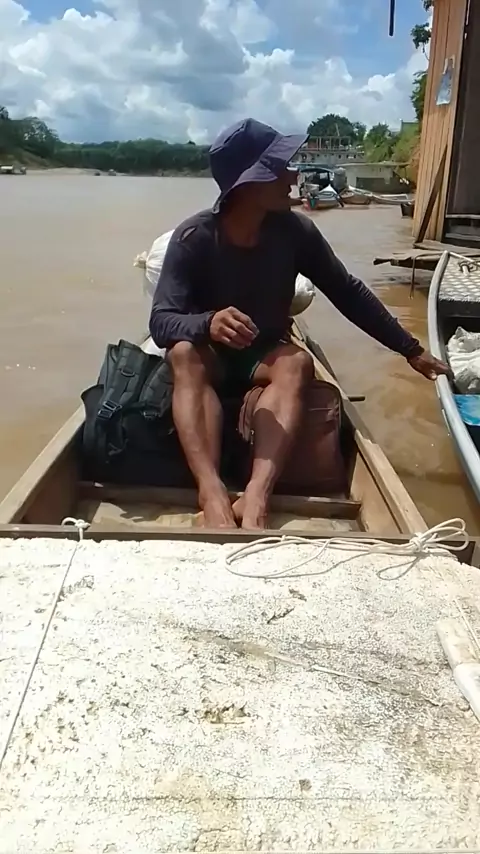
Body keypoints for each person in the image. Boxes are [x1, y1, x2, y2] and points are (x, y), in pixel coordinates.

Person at [149, 118, 449, 530]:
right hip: (210, 358)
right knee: (183, 353)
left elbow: (346, 291)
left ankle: (257, 494)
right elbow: (161, 322)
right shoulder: (194, 238)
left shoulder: (295, 232)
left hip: (261, 355)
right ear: (249, 185)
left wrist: (410, 350)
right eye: (281, 167)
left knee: (297, 362)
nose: (293, 175)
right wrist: (208, 323)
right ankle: (211, 491)